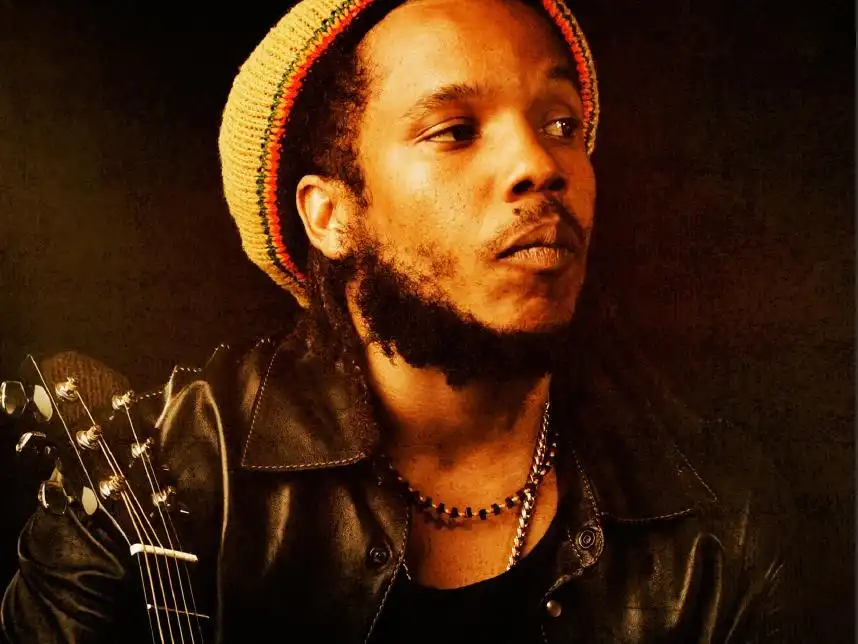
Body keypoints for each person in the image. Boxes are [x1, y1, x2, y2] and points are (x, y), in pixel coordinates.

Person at [1, 0, 796, 642]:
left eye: (561, 123)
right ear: (331, 216)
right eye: (455, 131)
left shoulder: (717, 528)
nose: (540, 165)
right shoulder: (154, 488)